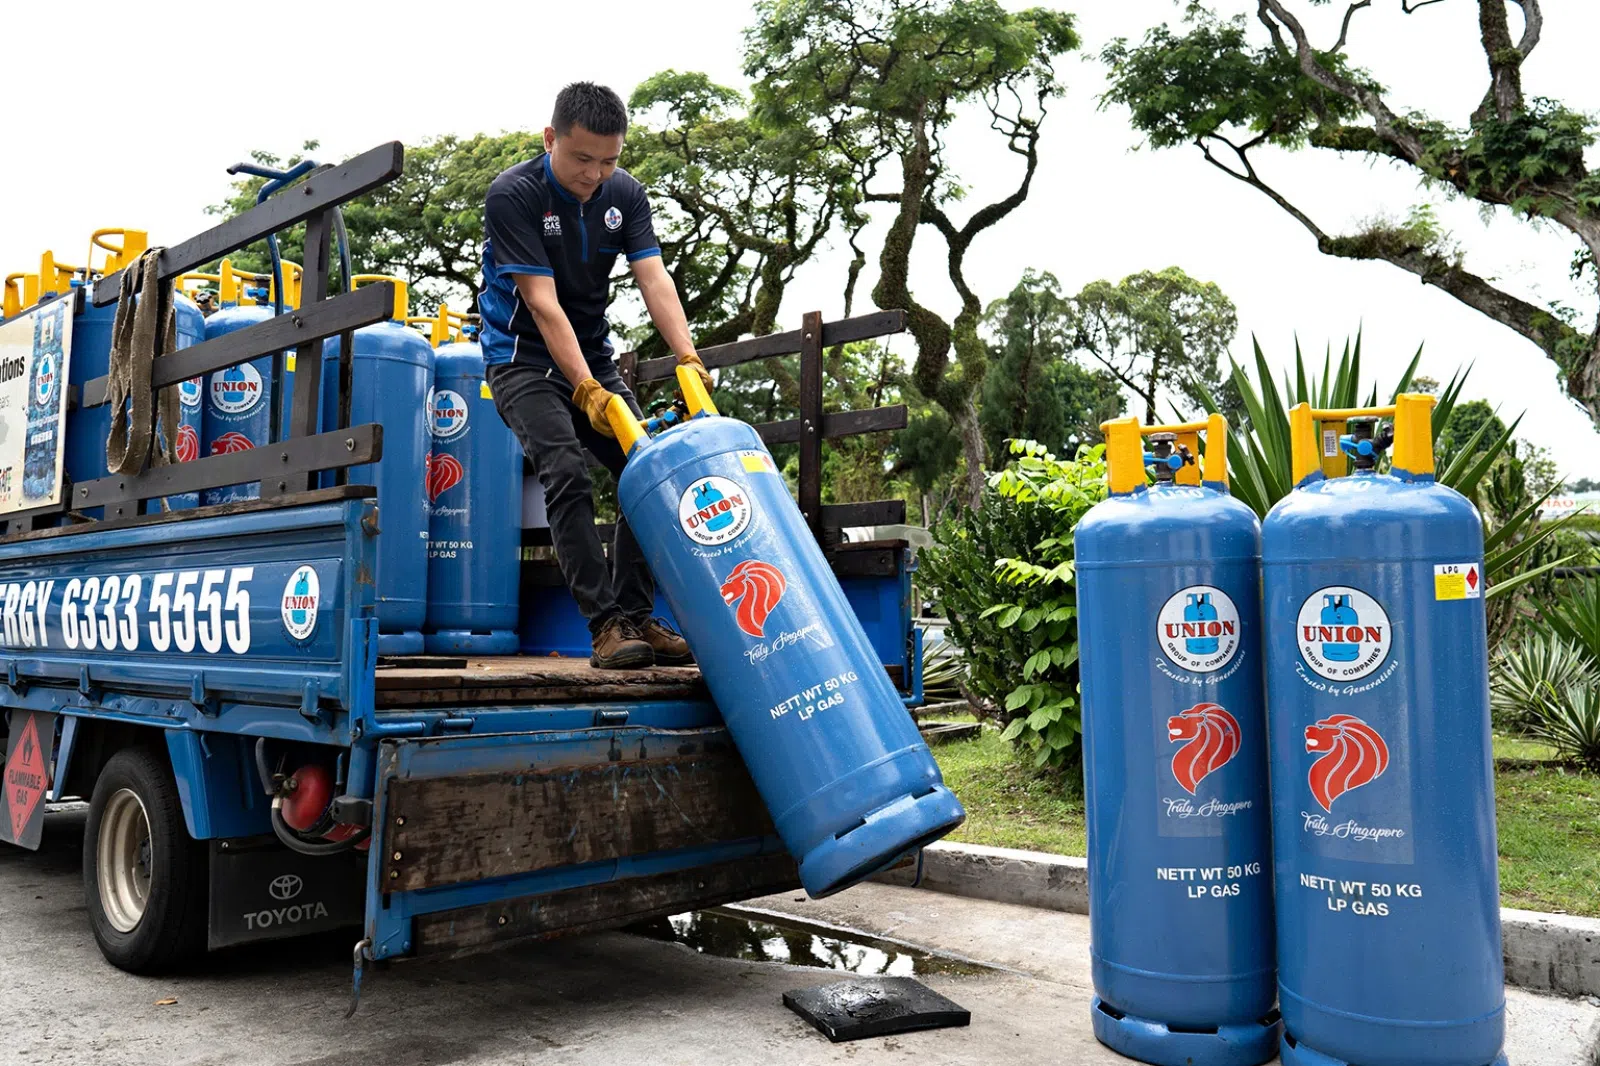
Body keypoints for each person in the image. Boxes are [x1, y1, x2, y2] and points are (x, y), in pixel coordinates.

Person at [477, 82, 711, 670]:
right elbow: (540, 302)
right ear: (550, 138)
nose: (595, 173)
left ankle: (636, 617)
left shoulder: (624, 194)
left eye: (610, 160)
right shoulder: (515, 194)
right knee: (566, 471)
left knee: (648, 469)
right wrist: (585, 390)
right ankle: (605, 627)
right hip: (522, 359)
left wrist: (687, 356)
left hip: (593, 357)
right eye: (583, 159)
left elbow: (654, 279)